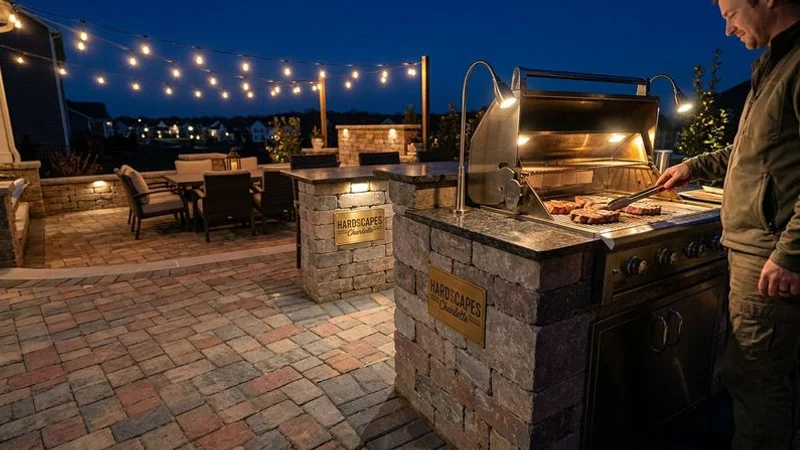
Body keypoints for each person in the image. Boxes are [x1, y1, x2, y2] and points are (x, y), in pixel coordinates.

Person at [657, 1, 800, 448]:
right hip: (755, 246)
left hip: (771, 254)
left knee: (755, 377)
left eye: (732, 13)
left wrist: (792, 253)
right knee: (758, 372)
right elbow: (756, 151)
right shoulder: (775, 62)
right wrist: (693, 166)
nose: (726, 29)